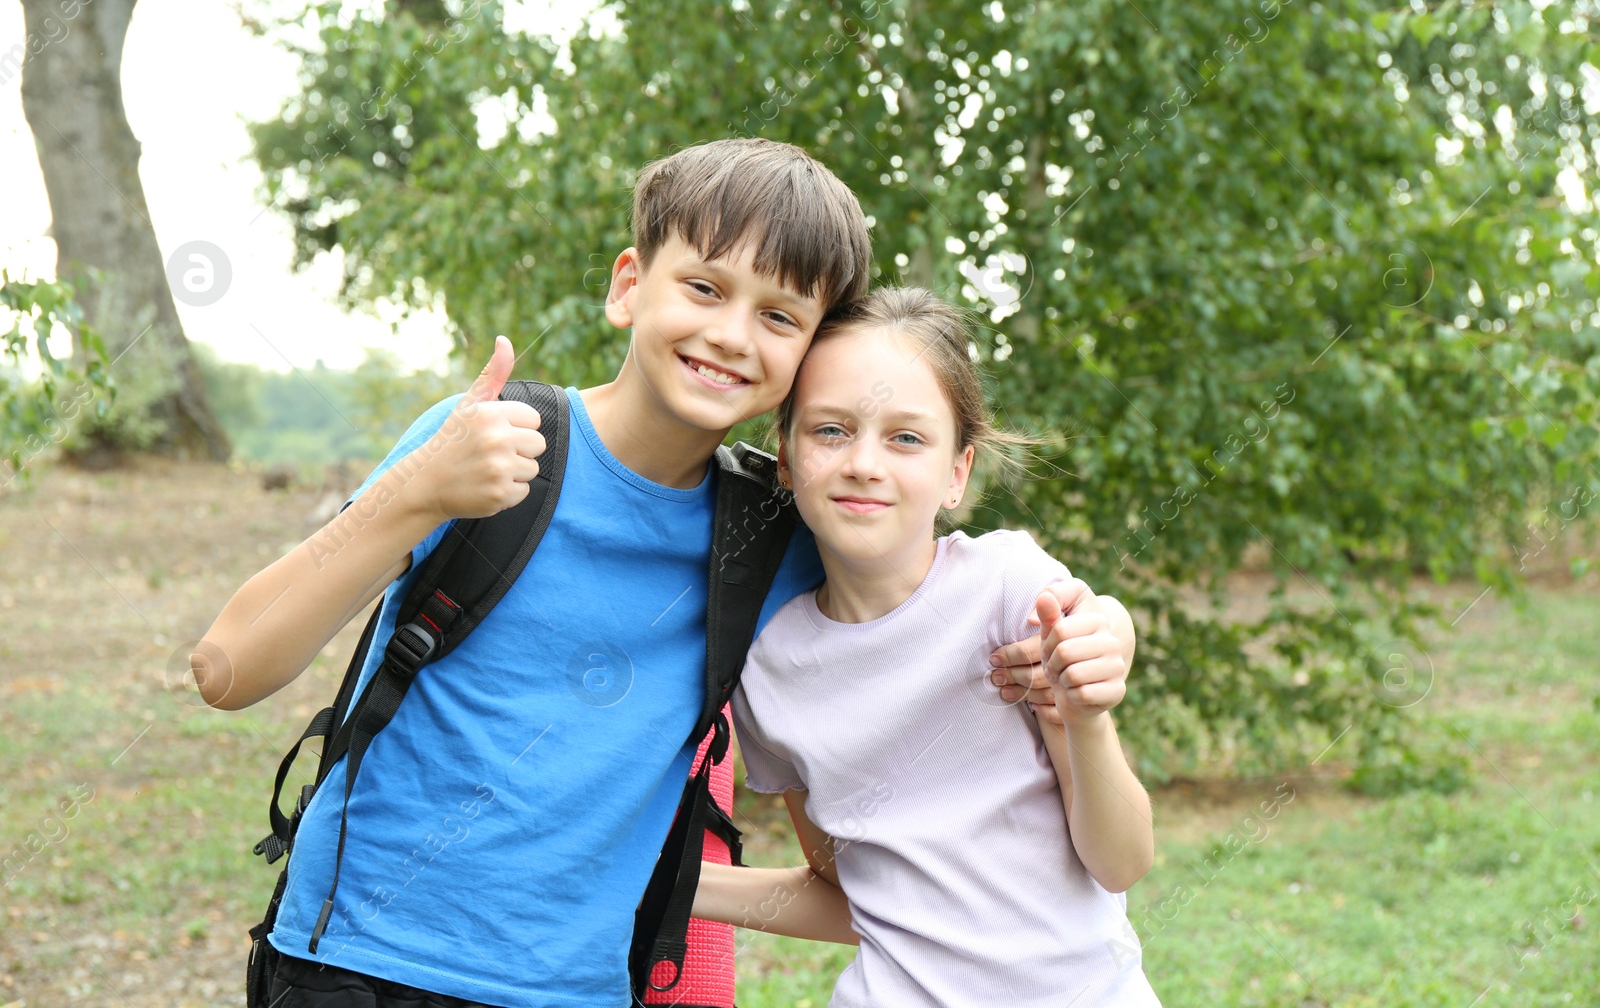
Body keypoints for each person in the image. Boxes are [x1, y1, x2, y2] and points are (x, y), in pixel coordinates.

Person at [195, 139, 1131, 1007]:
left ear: (806, 357)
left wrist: (1105, 629)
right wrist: (415, 494)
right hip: (354, 960)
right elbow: (229, 667)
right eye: (704, 287)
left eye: (777, 315)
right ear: (629, 285)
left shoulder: (773, 532)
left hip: (585, 986)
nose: (731, 333)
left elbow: (934, 585)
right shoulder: (490, 442)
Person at [692, 286, 1162, 1006]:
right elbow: (847, 894)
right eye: (830, 431)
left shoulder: (1012, 592)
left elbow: (1122, 861)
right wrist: (670, 885)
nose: (864, 463)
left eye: (906, 437)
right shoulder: (769, 669)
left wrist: (1086, 715)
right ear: (784, 459)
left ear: (957, 473)